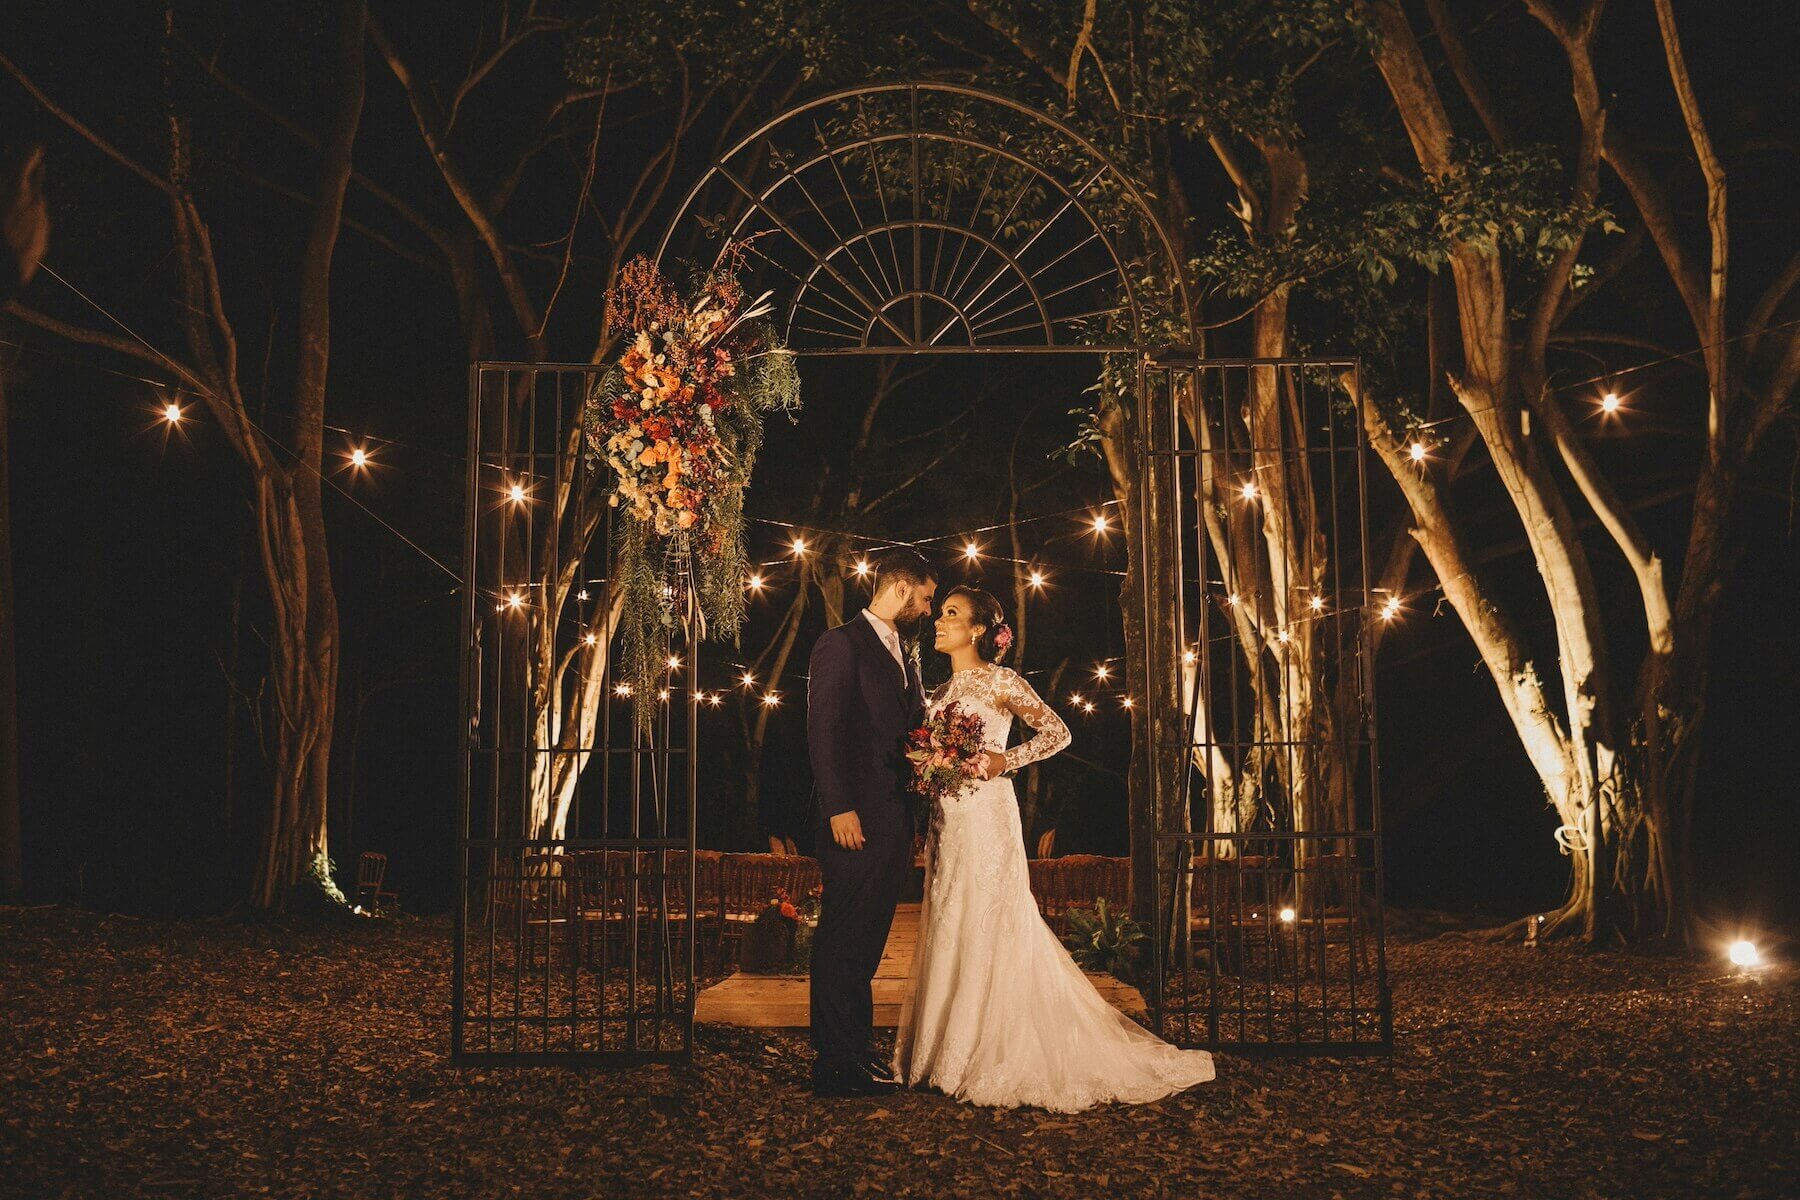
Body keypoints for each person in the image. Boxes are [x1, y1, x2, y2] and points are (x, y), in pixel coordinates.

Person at [892, 585, 1216, 1112]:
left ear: (977, 629)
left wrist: (1004, 760)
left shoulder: (1002, 681)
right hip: (948, 820)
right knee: (951, 917)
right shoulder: (940, 692)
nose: (938, 622)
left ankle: (989, 1048)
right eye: (941, 613)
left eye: (950, 614)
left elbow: (1057, 733)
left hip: (988, 815)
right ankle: (943, 1050)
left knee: (989, 918)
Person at [805, 547, 937, 1097]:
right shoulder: (840, 644)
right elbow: (824, 729)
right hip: (853, 818)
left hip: (892, 820)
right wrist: (839, 806)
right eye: (928, 598)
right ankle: (835, 1062)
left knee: (867, 941)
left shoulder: (903, 653)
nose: (930, 610)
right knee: (843, 938)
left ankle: (856, 1051)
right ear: (902, 589)